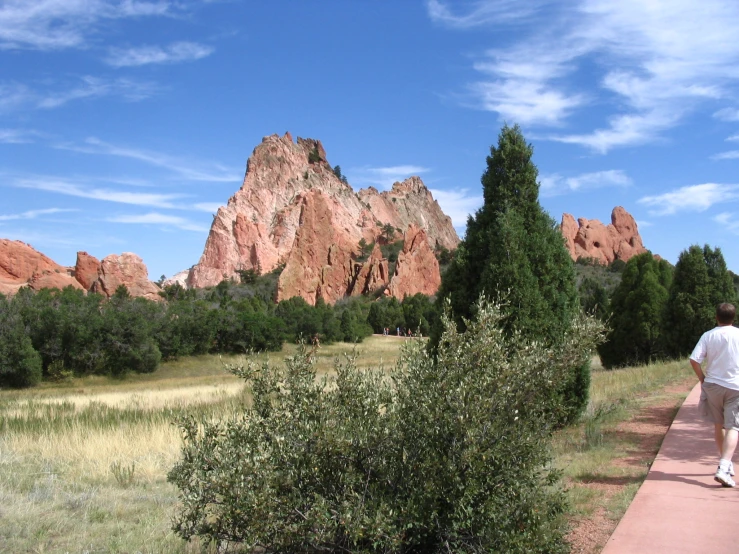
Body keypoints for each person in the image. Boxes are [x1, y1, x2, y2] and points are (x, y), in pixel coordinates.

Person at [690, 303, 739, 487]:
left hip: (713, 385)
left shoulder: (708, 335)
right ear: (733, 317)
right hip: (736, 386)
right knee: (733, 427)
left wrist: (702, 379)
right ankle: (724, 466)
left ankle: (725, 462)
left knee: (719, 425)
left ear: (716, 317)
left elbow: (694, 360)